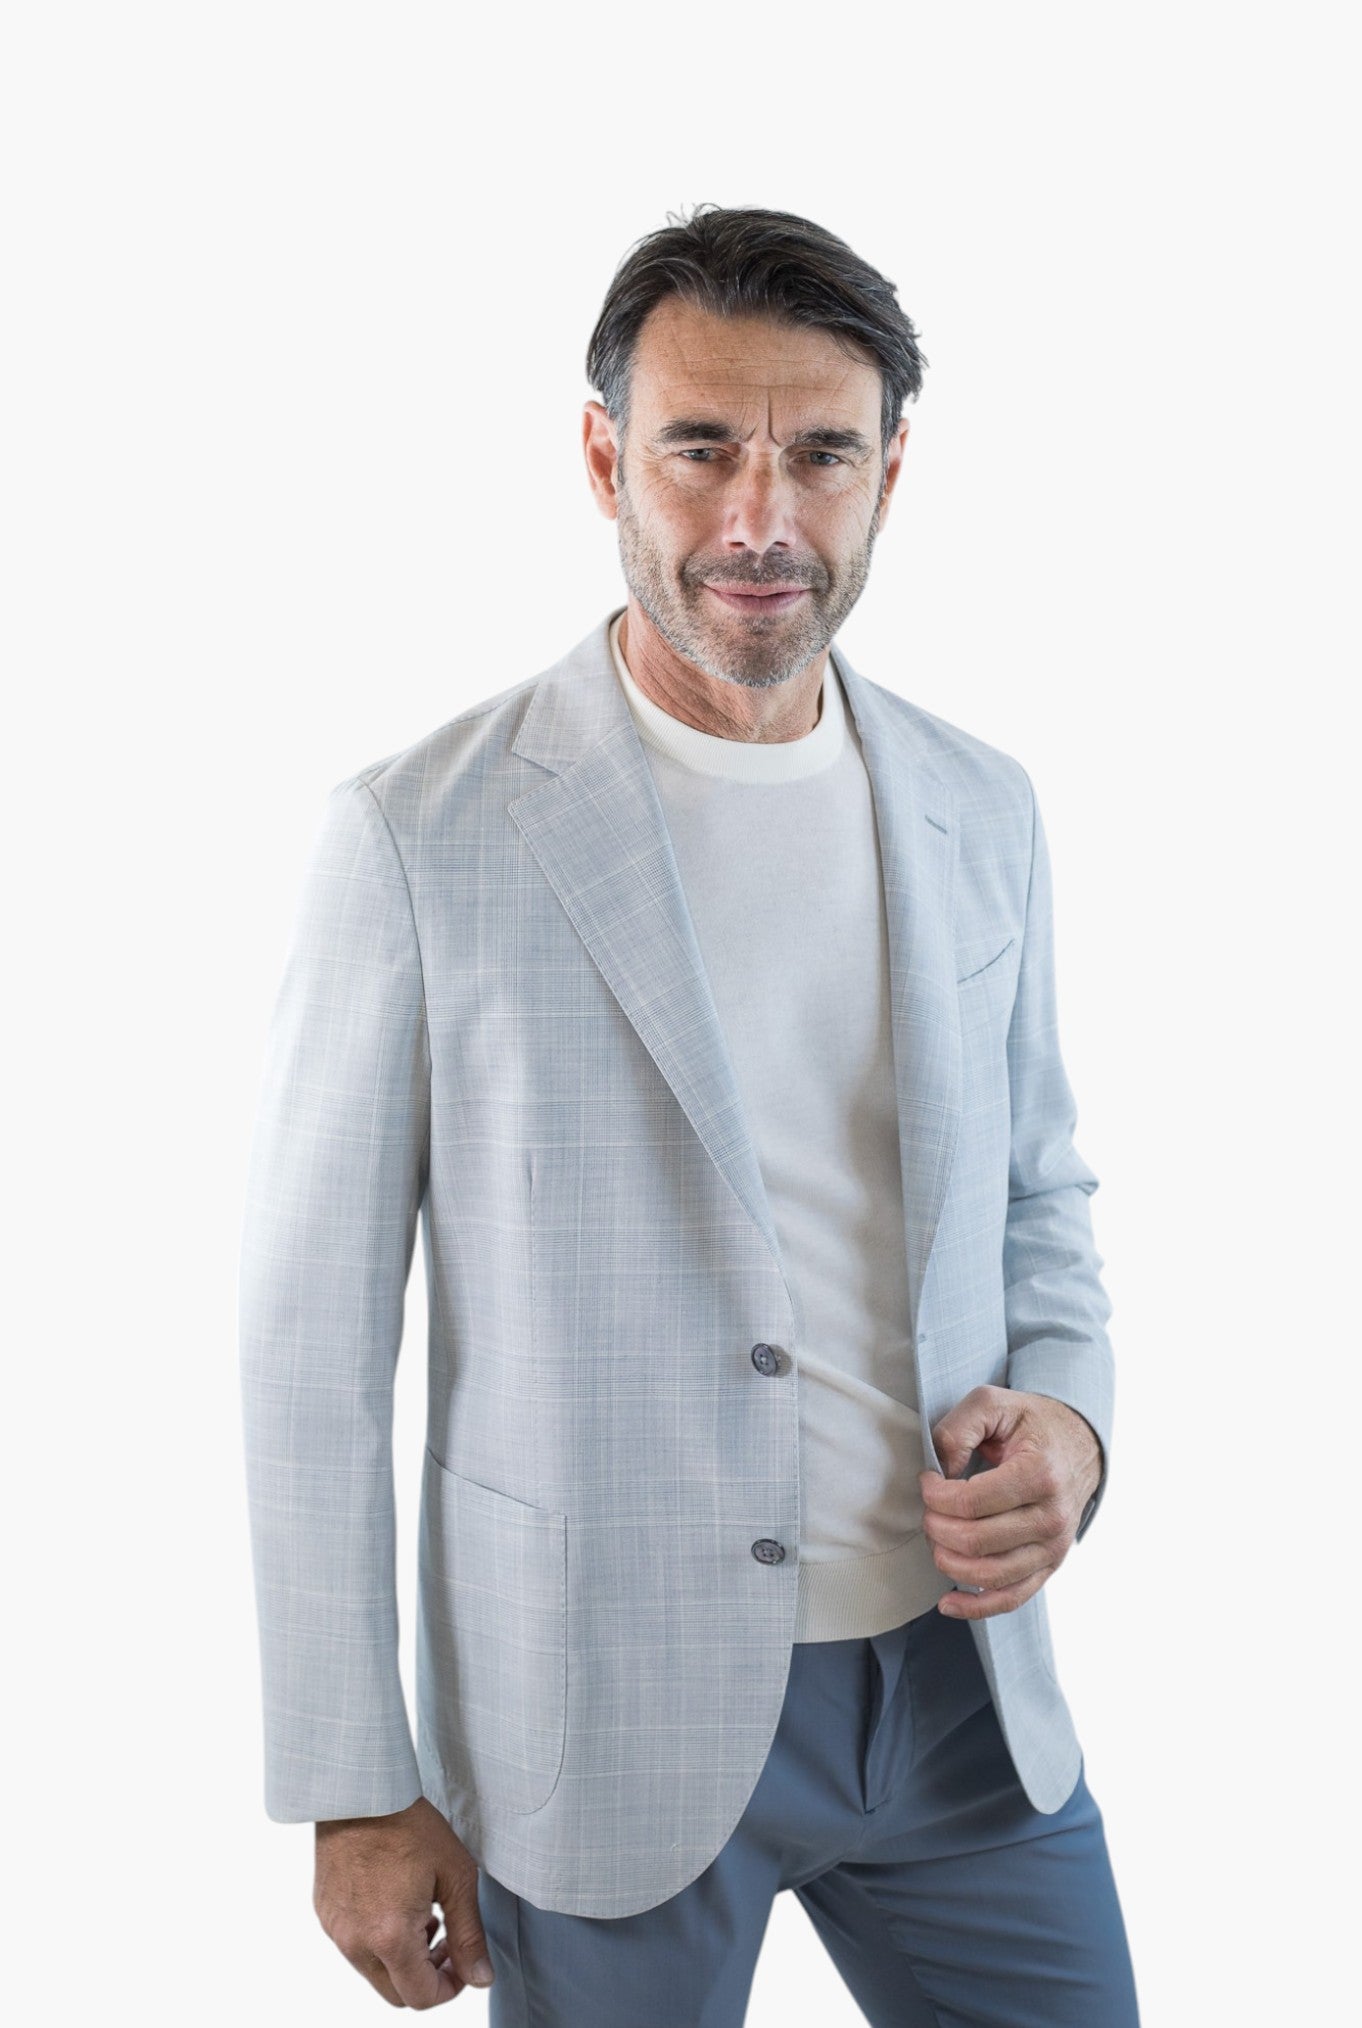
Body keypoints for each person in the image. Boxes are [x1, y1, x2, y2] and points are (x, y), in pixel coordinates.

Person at [238, 202, 1140, 2025]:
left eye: (819, 455)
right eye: (700, 449)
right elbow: (310, 1345)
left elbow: (1039, 1197)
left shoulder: (981, 804)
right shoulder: (418, 835)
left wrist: (1073, 1426)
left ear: (891, 471)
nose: (758, 520)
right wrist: (351, 1778)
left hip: (963, 1703)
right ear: (604, 460)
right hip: (599, 1718)